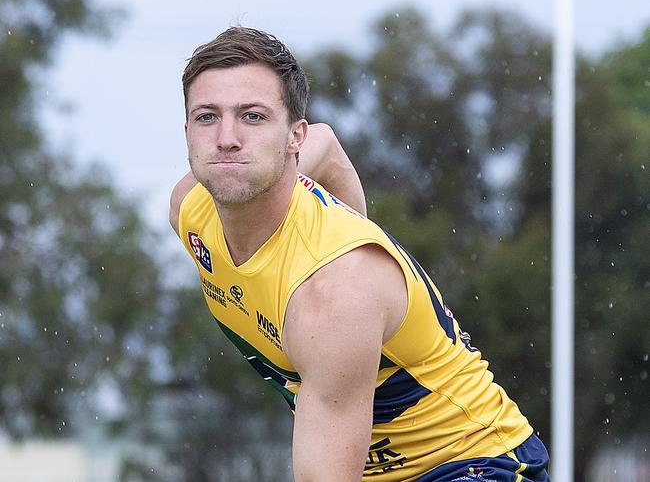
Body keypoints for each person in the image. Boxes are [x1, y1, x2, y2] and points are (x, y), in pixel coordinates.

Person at [170, 26, 550, 482]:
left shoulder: (332, 292)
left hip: (472, 463)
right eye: (208, 116)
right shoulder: (189, 211)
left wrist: (350, 254)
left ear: (294, 137)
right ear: (187, 131)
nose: (227, 138)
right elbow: (325, 144)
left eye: (253, 117)